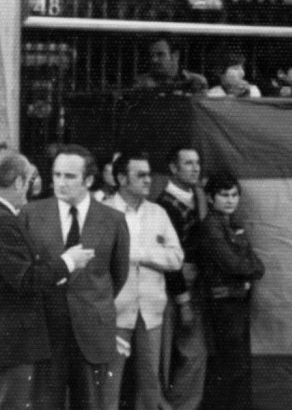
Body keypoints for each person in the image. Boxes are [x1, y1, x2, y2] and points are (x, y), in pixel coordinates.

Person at [0, 151, 93, 410]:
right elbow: (24, 279)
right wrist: (68, 262)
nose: (32, 187)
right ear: (17, 182)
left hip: (8, 339)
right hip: (10, 340)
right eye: (30, 180)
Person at [22, 145, 131, 409]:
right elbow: (25, 272)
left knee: (92, 404)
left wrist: (92, 300)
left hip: (92, 329)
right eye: (56, 174)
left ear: (89, 180)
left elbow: (118, 273)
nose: (60, 182)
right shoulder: (30, 214)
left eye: (69, 176)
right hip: (46, 329)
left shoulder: (113, 220)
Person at [103, 152, 184, 409]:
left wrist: (140, 255)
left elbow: (176, 258)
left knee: (151, 381)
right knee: (109, 382)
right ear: (121, 178)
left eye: (149, 174)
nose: (148, 180)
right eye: (141, 175)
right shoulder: (102, 211)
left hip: (151, 311)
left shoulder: (158, 213)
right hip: (113, 311)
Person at [196, 175, 265, 409]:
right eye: (224, 195)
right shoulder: (211, 227)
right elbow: (234, 264)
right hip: (223, 304)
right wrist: (250, 271)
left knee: (239, 364)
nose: (230, 200)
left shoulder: (232, 224)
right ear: (209, 197)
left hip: (237, 301)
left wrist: (249, 270)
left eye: (234, 195)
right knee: (230, 365)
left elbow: (257, 265)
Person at [154, 147, 209, 410]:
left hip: (194, 289)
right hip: (169, 292)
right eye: (188, 163)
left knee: (193, 355)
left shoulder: (199, 199)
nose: (195, 168)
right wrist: (183, 300)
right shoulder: (162, 206)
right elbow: (169, 260)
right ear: (173, 168)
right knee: (163, 357)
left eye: (197, 163)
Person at [133, 34, 209, 94]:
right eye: (152, 55)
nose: (154, 60)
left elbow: (201, 111)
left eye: (160, 54)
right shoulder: (143, 83)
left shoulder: (197, 81)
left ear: (175, 55)